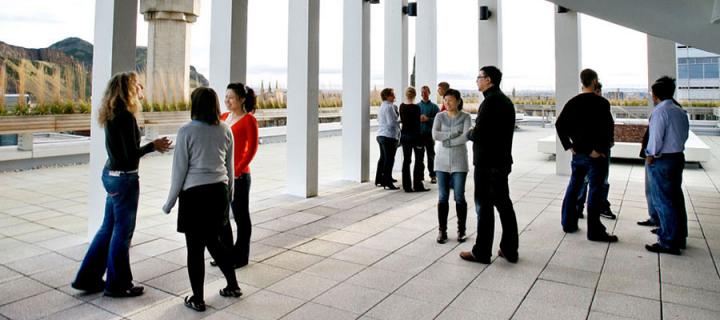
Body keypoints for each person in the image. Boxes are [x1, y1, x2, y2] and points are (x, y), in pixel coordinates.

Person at [72, 72, 171, 297]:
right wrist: (152, 146)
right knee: (122, 232)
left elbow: (120, 153)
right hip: (125, 179)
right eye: (136, 85)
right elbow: (128, 157)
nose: (140, 88)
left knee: (108, 227)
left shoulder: (111, 114)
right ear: (127, 89)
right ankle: (118, 284)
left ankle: (87, 278)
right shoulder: (125, 116)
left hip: (111, 176)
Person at [162, 87, 243, 312]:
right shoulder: (225, 130)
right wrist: (229, 199)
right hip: (218, 192)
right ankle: (233, 285)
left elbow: (179, 171)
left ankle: (197, 299)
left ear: (194, 105)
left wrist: (169, 203)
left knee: (195, 249)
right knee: (215, 242)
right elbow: (229, 167)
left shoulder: (186, 132)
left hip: (195, 196)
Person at [460, 66, 519, 264]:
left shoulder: (490, 102)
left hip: (488, 165)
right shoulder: (504, 101)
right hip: (501, 162)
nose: (477, 80)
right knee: (504, 205)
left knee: (484, 207)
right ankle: (509, 249)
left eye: (479, 77)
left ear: (489, 80)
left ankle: (482, 251)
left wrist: (469, 132)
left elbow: (479, 133)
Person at [555, 68, 618, 243]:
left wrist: (570, 146)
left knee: (574, 187)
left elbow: (560, 125)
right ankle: (595, 231)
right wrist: (597, 149)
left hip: (578, 154)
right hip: (595, 156)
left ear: (582, 82)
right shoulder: (602, 103)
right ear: (595, 81)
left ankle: (568, 223)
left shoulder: (573, 102)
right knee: (595, 191)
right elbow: (606, 129)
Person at [213, 83, 259, 269]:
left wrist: (238, 170)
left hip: (240, 176)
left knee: (240, 217)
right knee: (221, 218)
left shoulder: (249, 120)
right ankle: (225, 254)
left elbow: (252, 149)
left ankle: (241, 256)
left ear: (242, 99)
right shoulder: (223, 117)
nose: (227, 101)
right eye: (225, 97)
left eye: (231, 97)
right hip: (222, 176)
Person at [644, 76, 689, 255]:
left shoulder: (659, 112)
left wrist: (650, 156)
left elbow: (655, 140)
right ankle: (679, 236)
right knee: (676, 199)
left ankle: (668, 241)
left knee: (663, 201)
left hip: (663, 161)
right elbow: (684, 135)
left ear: (656, 96)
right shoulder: (679, 111)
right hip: (677, 157)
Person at [432, 89, 471, 243]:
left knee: (459, 196)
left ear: (458, 101)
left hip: (460, 162)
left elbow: (466, 136)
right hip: (441, 162)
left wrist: (447, 140)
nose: (447, 103)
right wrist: (454, 132)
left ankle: (461, 230)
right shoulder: (439, 116)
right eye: (444, 100)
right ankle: (442, 231)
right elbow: (435, 135)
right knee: (442, 197)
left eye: (450, 100)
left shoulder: (466, 117)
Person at [576, 82, 616, 220]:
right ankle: (580, 207)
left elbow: (609, 127)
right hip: (590, 151)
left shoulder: (603, 106)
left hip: (601, 150)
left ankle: (600, 206)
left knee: (601, 180)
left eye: (598, 91)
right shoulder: (583, 106)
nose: (596, 93)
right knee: (586, 180)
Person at [399, 87, 429, 192]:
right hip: (415, 137)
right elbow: (417, 125)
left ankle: (407, 186)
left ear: (406, 95)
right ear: (415, 95)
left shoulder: (401, 107)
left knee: (406, 161)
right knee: (419, 160)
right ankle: (417, 185)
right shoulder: (416, 108)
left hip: (405, 136)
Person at [375, 88, 400, 190]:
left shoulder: (382, 106)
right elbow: (391, 123)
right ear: (387, 96)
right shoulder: (389, 107)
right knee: (389, 159)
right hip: (389, 136)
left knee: (383, 159)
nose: (394, 97)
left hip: (381, 135)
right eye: (392, 95)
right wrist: (401, 120)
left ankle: (380, 179)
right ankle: (387, 182)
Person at [419, 86, 440, 184]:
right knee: (419, 156)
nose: (424, 94)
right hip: (419, 135)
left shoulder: (434, 107)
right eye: (422, 92)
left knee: (431, 156)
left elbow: (438, 122)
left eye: (426, 92)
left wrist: (428, 119)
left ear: (429, 92)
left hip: (429, 136)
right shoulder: (417, 106)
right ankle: (420, 175)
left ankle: (433, 175)